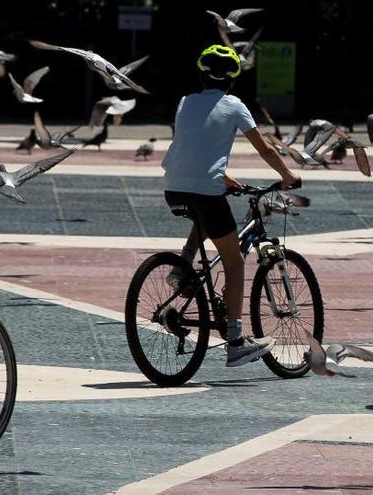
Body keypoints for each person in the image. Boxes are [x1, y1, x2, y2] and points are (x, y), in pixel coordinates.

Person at [162, 44, 301, 367]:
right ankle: (236, 342)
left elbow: (193, 147)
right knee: (234, 262)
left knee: (205, 216)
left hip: (174, 187)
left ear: (201, 73)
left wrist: (223, 177)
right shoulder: (234, 105)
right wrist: (287, 175)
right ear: (233, 79)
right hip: (204, 192)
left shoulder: (184, 102)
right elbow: (265, 149)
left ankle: (181, 267)